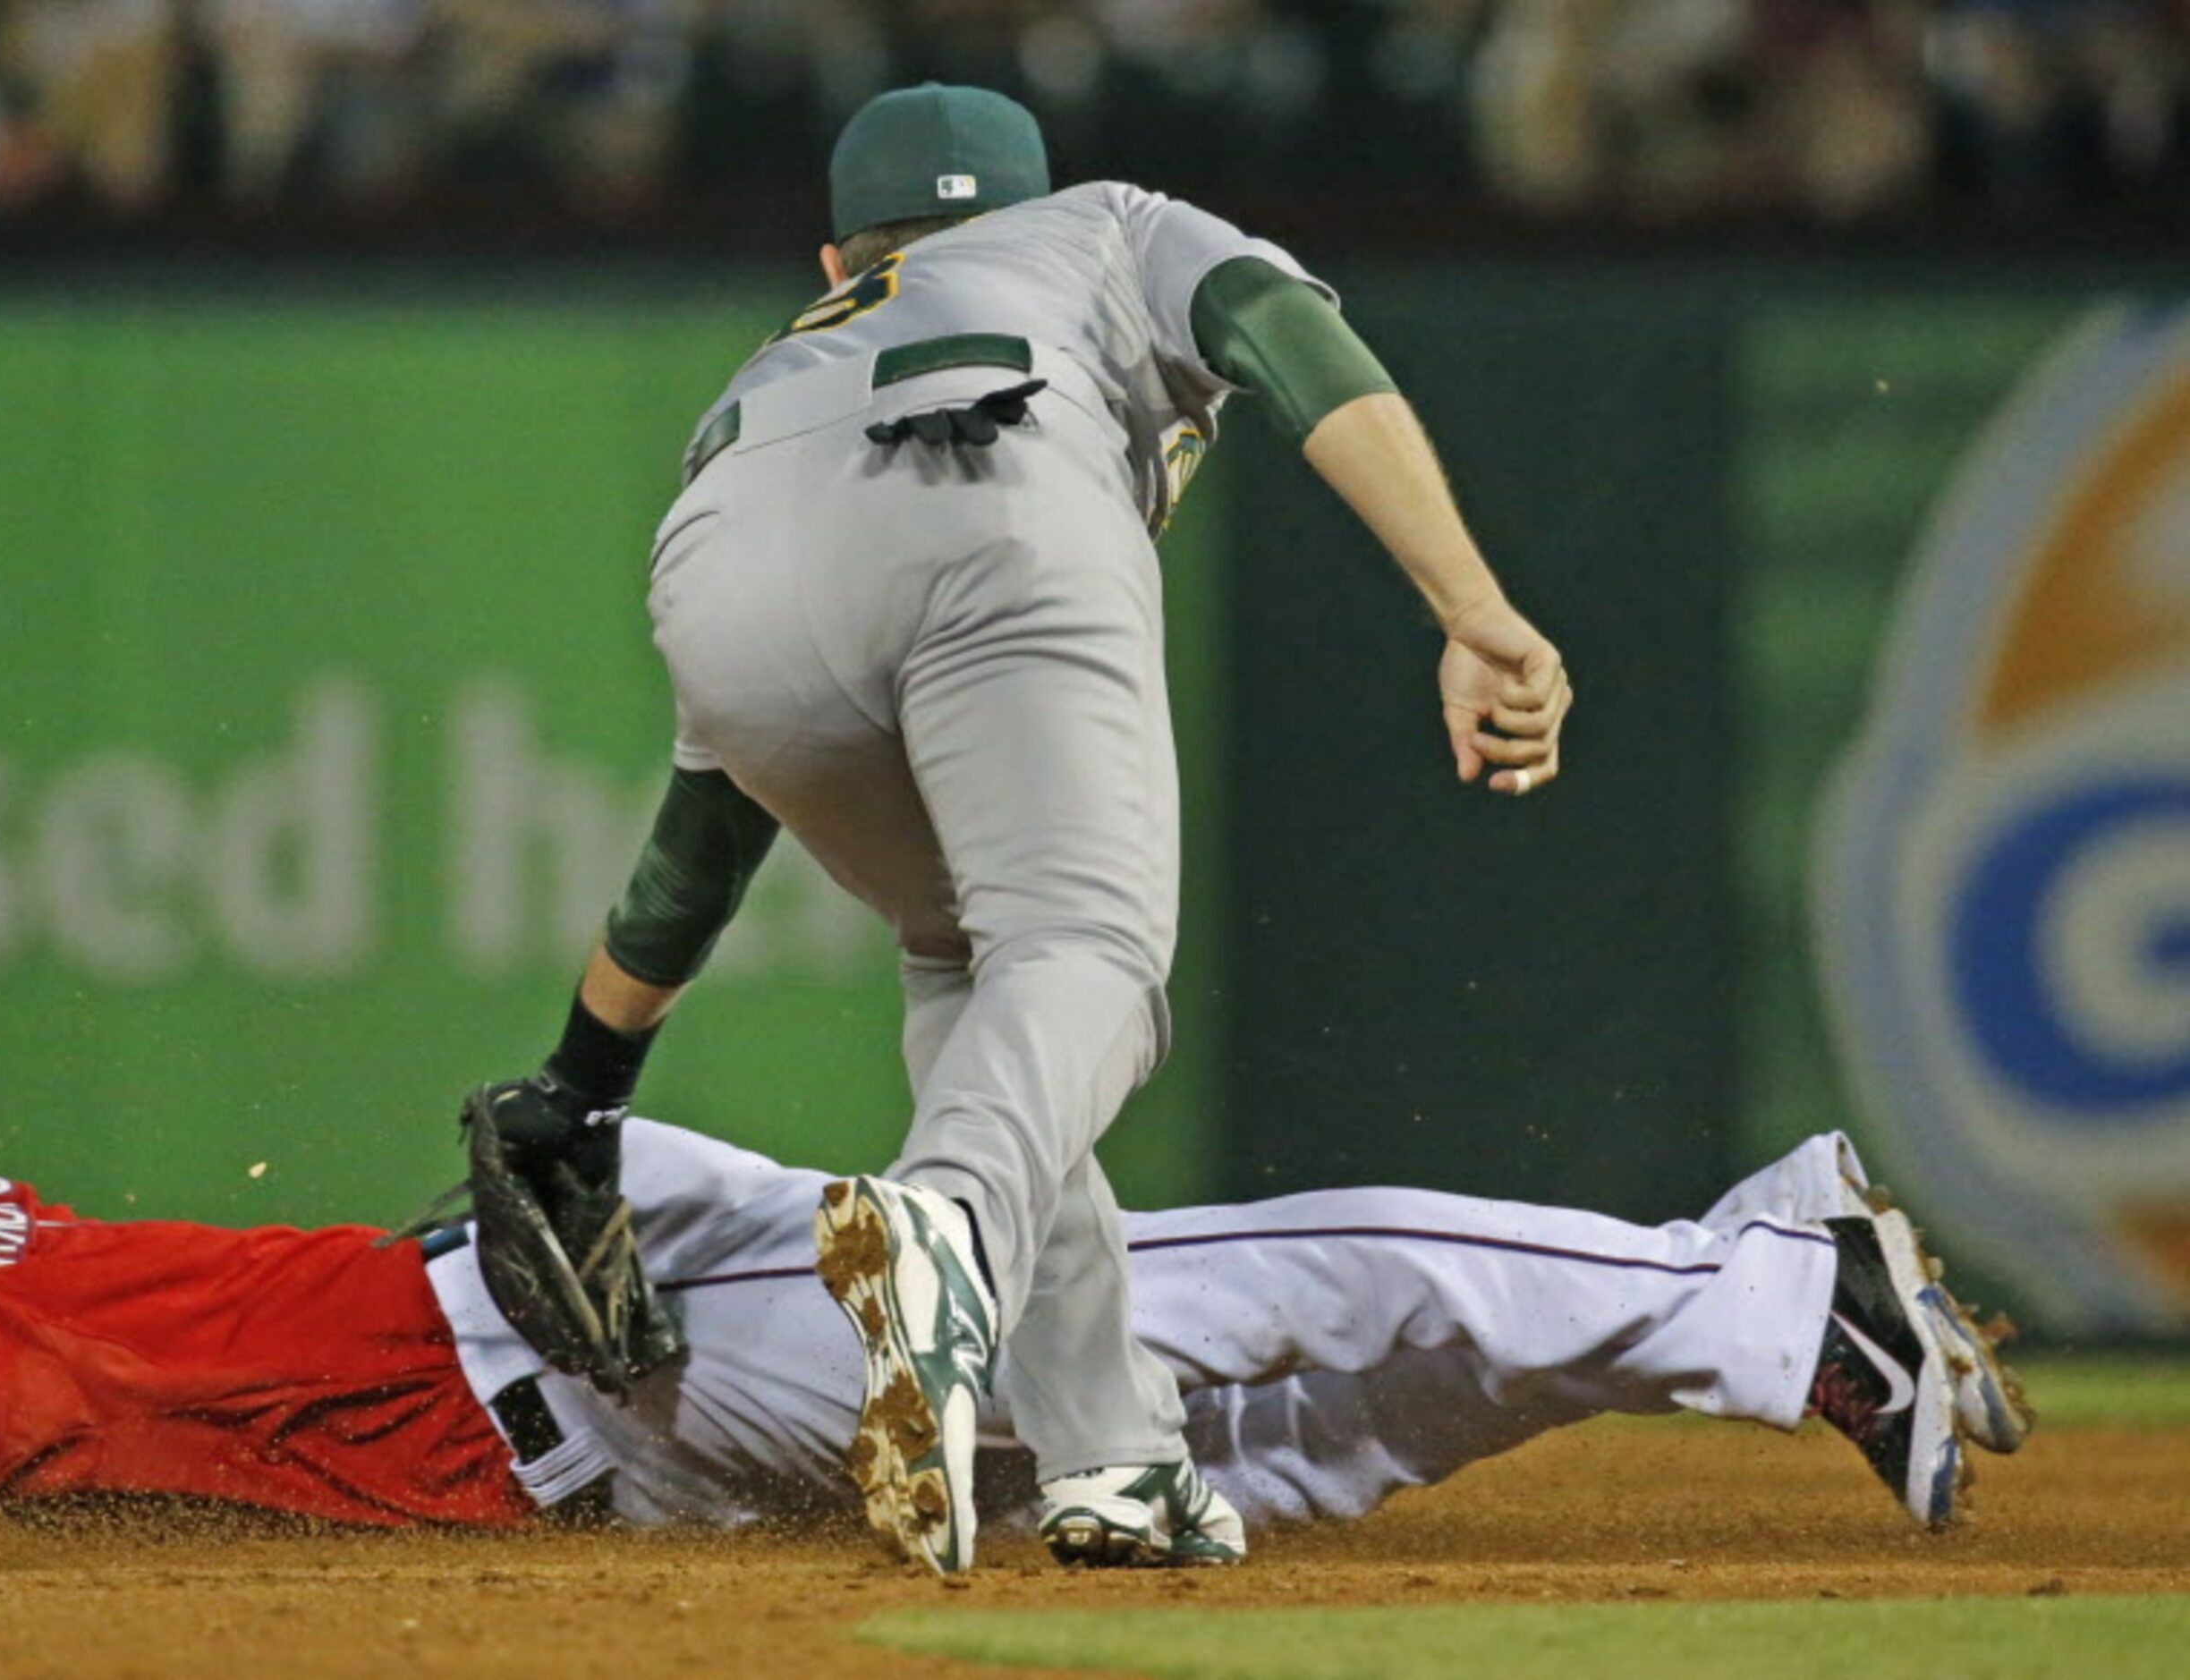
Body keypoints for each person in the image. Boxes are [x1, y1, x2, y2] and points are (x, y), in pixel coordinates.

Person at [460, 81, 1576, 1576]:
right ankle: (947, 1232)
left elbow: (702, 837)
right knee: (1090, 951)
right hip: (992, 493)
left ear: (838, 261)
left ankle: (1112, 1454)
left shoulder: (788, 360)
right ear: (1024, 196)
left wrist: (586, 1078)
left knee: (978, 980)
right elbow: (1286, 329)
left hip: (717, 566)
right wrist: (1471, 604)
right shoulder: (1103, 225)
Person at [0, 1022, 2029, 1574]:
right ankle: (1771, 1256)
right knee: (1236, 1470)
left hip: (630, 1349)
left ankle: (1771, 1306)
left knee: (1158, 1293)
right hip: (599, 1387)